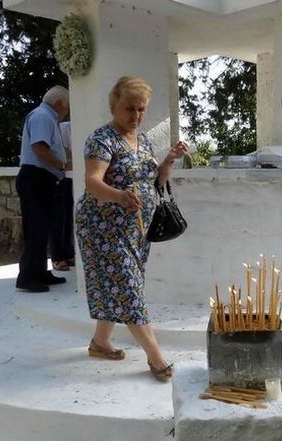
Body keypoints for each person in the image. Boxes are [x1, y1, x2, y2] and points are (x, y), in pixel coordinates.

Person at [75, 76, 189, 381]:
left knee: (121, 286)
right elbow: (92, 182)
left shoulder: (143, 140)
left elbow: (156, 182)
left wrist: (170, 160)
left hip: (136, 230)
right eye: (129, 108)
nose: (135, 116)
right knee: (128, 288)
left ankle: (100, 343)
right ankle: (156, 358)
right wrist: (120, 196)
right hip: (102, 228)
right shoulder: (102, 139)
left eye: (141, 110)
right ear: (114, 105)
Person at [16, 86, 70, 293]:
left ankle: (39, 272)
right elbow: (39, 147)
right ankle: (28, 277)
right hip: (35, 178)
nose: (66, 113)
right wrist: (60, 165)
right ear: (58, 104)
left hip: (40, 178)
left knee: (42, 228)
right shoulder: (43, 116)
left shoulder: (45, 116)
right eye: (66, 108)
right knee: (36, 228)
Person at [50, 120, 76, 271]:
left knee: (68, 215)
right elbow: (65, 153)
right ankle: (57, 257)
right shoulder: (64, 128)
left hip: (72, 177)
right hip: (59, 175)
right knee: (58, 216)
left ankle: (68, 252)